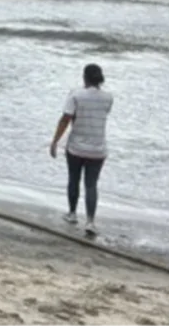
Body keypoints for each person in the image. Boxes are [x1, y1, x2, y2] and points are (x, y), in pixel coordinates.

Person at [49, 64, 113, 236]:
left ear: (85, 77)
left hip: (76, 147)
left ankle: (72, 213)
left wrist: (55, 141)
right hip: (98, 148)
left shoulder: (76, 95)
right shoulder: (108, 97)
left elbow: (65, 119)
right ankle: (90, 221)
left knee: (73, 179)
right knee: (91, 185)